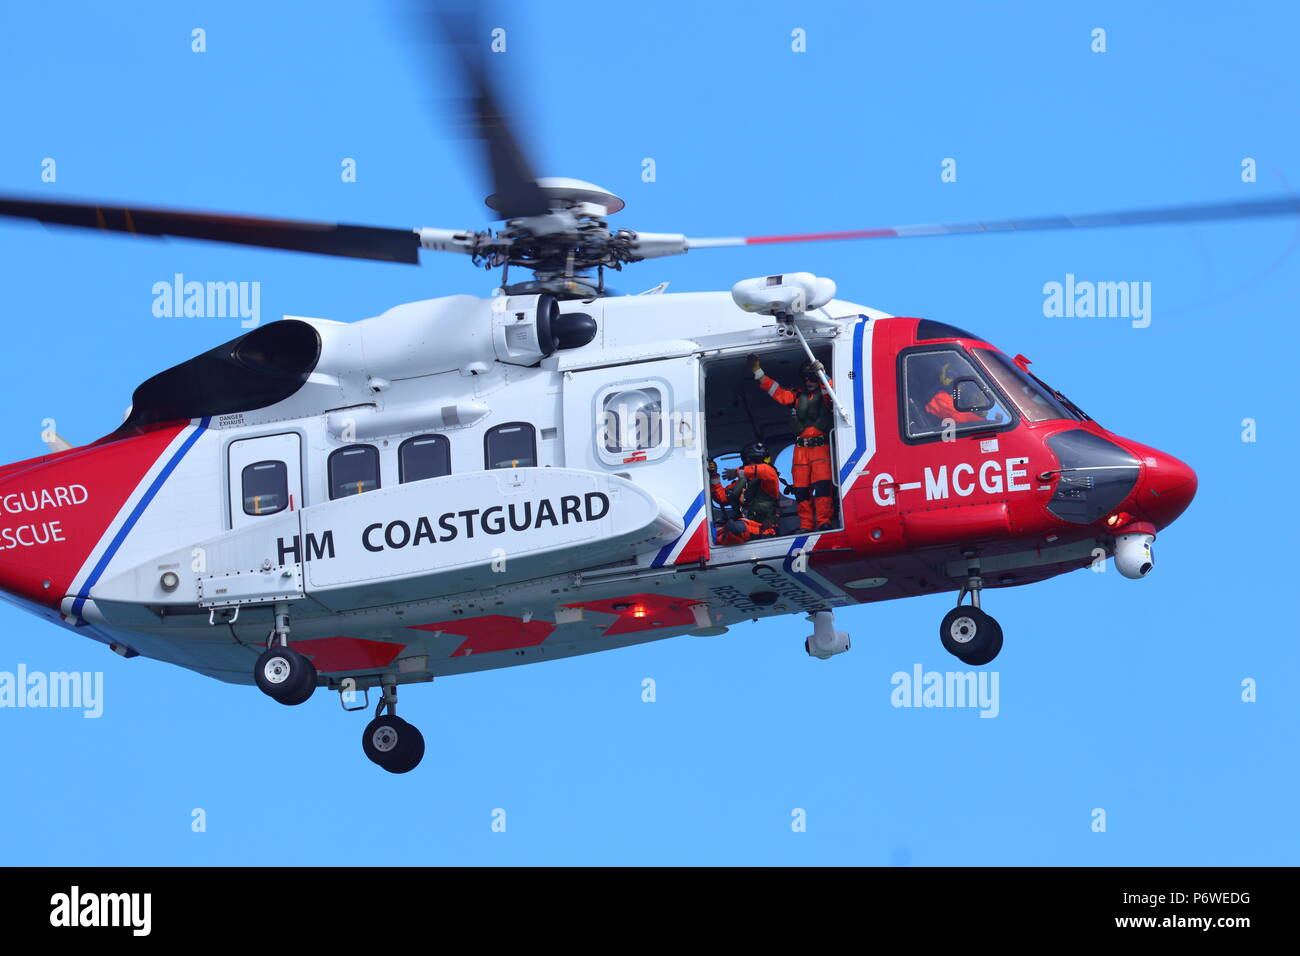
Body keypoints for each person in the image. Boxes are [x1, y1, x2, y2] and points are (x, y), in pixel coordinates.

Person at [748, 355, 835, 531]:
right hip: (801, 449)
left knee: (822, 486)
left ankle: (824, 521)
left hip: (820, 448)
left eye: (813, 378)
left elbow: (829, 390)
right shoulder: (797, 396)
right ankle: (806, 525)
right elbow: (779, 393)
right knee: (801, 490)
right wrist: (759, 372)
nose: (809, 382)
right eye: (807, 378)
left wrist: (823, 375)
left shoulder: (826, 396)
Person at [708, 441, 782, 545]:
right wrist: (714, 475)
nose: (754, 466)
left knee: (734, 528)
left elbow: (765, 470)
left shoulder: (769, 478)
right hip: (744, 526)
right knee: (717, 531)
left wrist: (738, 472)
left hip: (763, 530)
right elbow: (722, 498)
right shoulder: (742, 482)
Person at [924, 360, 988, 426]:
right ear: (951, 382)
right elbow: (960, 417)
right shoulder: (941, 397)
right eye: (961, 384)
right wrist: (986, 423)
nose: (963, 388)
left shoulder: (949, 399)